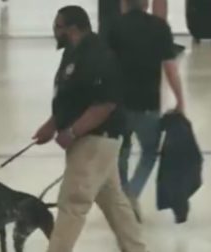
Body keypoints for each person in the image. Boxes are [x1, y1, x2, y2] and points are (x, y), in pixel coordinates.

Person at [33, 6, 148, 252]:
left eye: (58, 26)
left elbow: (105, 104)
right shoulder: (73, 54)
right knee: (114, 202)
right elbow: (72, 99)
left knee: (72, 203)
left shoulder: (98, 56)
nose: (54, 31)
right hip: (88, 139)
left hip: (96, 139)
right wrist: (51, 126)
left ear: (73, 29)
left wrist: (72, 131)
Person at [108, 0, 185, 222]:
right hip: (148, 103)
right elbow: (171, 69)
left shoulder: (115, 26)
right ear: (148, 4)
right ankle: (133, 192)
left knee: (120, 152)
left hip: (118, 104)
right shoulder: (160, 27)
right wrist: (180, 100)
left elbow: (106, 64)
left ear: (123, 4)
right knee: (150, 152)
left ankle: (123, 197)